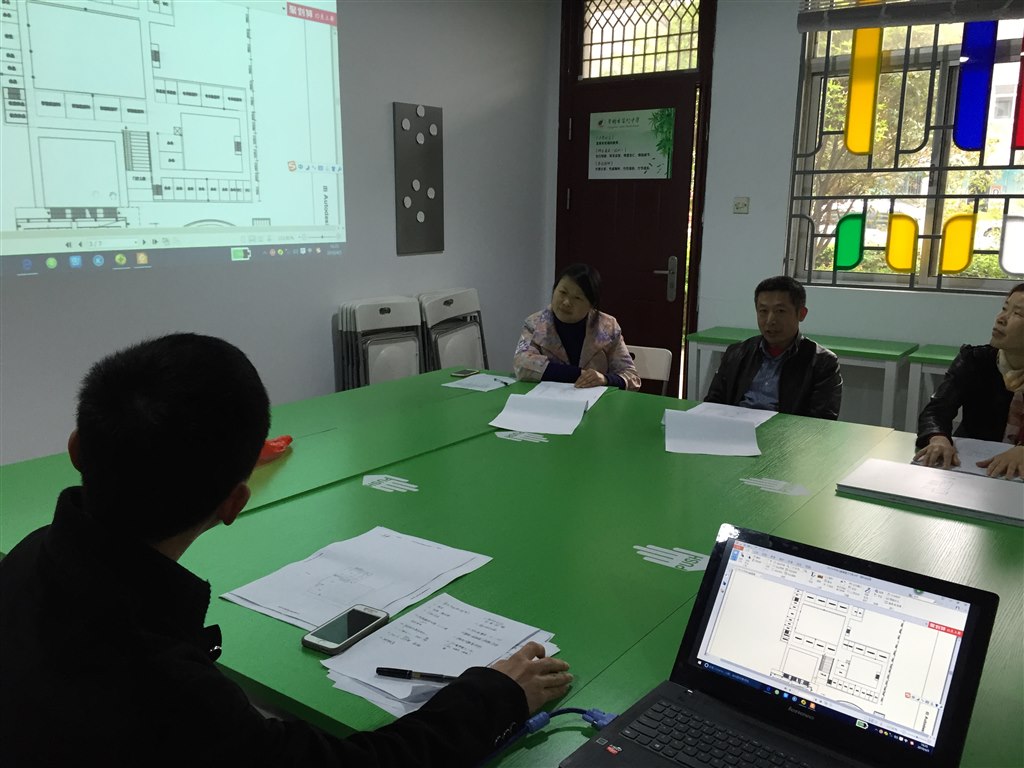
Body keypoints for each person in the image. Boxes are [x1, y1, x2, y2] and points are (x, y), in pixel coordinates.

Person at [0, 333, 572, 767]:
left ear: (77, 448)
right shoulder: (171, 692)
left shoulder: (26, 559)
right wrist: (495, 696)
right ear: (234, 504)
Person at [914, 283, 1024, 480]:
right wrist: (938, 438)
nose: (1001, 319)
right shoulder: (975, 360)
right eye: (1004, 308)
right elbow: (936, 410)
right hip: (973, 469)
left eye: (1018, 314)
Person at [704, 275, 842, 420]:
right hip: (736, 428)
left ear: (801, 314)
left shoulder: (823, 363)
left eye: (780, 311)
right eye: (763, 311)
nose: (770, 321)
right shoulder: (737, 353)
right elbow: (713, 403)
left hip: (785, 432)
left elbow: (821, 421)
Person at [514, 263, 641, 390]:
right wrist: (579, 374)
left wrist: (605, 379)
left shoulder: (608, 327)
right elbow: (522, 365)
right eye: (563, 292)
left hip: (594, 399)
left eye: (577, 298)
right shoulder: (535, 323)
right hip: (547, 398)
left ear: (592, 304)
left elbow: (631, 377)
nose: (566, 302)